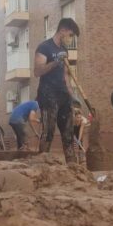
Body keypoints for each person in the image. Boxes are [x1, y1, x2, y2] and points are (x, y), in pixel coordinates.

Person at [34, 18, 80, 163]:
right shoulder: (44, 47)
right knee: (48, 132)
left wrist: (72, 96)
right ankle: (41, 165)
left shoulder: (64, 50)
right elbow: (37, 71)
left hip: (63, 94)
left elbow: (65, 75)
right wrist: (55, 62)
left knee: (68, 133)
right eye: (71, 35)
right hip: (48, 94)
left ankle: (72, 167)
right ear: (63, 31)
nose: (71, 39)